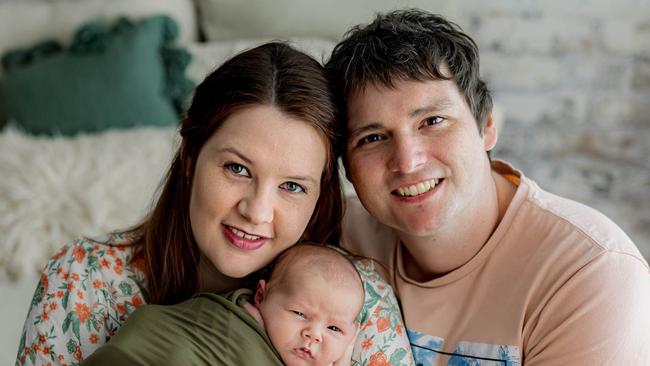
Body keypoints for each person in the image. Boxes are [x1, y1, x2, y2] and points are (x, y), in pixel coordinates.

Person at [16, 42, 412, 366]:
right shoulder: (83, 281)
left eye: (292, 186)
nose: (257, 211)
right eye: (237, 168)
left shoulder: (353, 303)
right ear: (190, 157)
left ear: (319, 195)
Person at [326, 9, 650, 365]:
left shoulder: (590, 272)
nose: (407, 161)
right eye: (372, 138)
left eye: (433, 121)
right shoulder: (335, 235)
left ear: (487, 127)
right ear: (346, 166)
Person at [82, 244, 365, 366]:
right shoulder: (234, 320)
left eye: (333, 329)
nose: (314, 334)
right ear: (260, 297)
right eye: (299, 313)